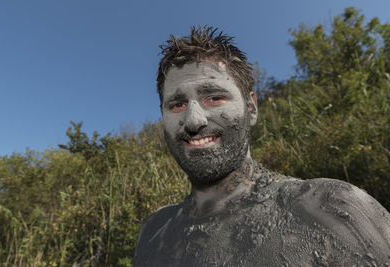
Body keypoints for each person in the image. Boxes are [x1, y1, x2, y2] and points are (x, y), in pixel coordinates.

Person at [134, 26, 390, 266]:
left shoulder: (331, 209)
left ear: (251, 108)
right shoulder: (153, 232)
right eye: (177, 104)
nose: (193, 120)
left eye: (214, 98)